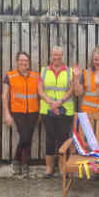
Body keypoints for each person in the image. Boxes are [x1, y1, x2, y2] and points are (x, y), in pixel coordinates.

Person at [38, 46, 75, 179]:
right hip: (47, 109)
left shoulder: (70, 71)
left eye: (59, 55)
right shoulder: (44, 71)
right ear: (51, 55)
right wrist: (51, 103)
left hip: (65, 110)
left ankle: (61, 167)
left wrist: (59, 102)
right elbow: (40, 90)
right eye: (54, 55)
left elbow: (71, 89)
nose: (56, 57)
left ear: (62, 56)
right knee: (50, 138)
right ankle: (49, 168)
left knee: (63, 138)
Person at [2, 52, 39, 177]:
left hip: (33, 111)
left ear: (29, 62)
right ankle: (24, 164)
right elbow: (4, 96)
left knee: (27, 137)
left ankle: (17, 161)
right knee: (25, 136)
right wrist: (7, 113)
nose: (24, 63)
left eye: (26, 60)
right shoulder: (10, 76)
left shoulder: (36, 76)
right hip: (17, 111)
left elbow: (41, 93)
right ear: (17, 61)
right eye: (21, 60)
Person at [73, 46, 99, 113]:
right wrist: (76, 78)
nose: (98, 62)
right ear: (92, 60)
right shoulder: (85, 73)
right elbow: (78, 93)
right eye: (96, 59)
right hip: (88, 113)